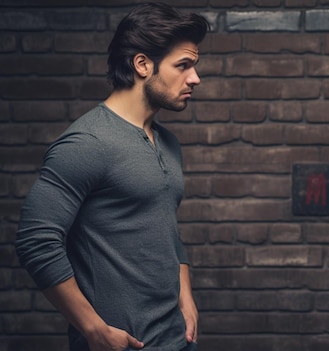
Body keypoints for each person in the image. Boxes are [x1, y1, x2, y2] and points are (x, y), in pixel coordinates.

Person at [15, 3, 210, 350]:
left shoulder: (168, 142)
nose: (194, 78)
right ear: (142, 64)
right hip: (123, 344)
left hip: (178, 339)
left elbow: (165, 227)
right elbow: (36, 241)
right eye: (183, 65)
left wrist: (187, 297)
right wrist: (93, 329)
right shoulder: (88, 143)